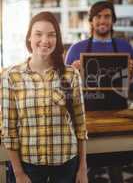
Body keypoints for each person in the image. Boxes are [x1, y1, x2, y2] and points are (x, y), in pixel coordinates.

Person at [1, 11, 88, 183]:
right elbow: (9, 129)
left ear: (57, 39)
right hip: (28, 167)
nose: (45, 40)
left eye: (51, 35)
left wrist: (82, 168)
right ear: (29, 38)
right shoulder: (11, 76)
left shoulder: (71, 74)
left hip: (66, 165)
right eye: (38, 34)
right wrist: (18, 173)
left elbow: (80, 125)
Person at [65, 0, 133, 74]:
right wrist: (73, 72)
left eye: (107, 16)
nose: (102, 21)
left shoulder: (125, 47)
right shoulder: (75, 49)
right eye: (98, 16)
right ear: (91, 21)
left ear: (113, 20)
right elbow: (64, 82)